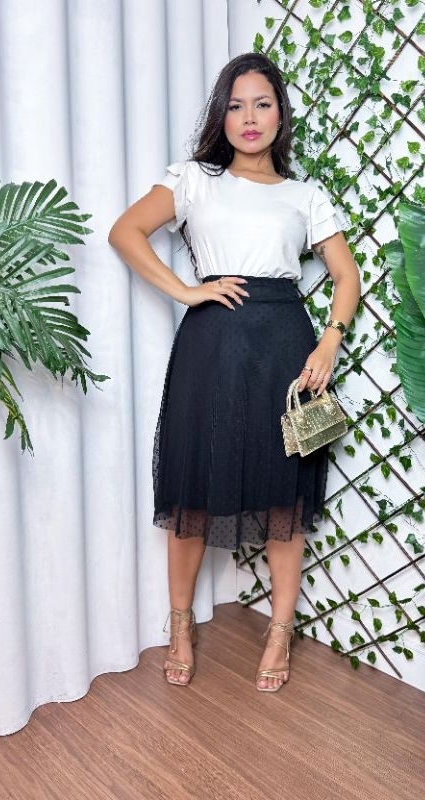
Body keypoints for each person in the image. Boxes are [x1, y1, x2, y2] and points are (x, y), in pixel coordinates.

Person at [108, 52, 360, 693]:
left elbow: (346, 276)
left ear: (280, 114)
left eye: (262, 104)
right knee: (191, 489)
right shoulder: (194, 180)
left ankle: (279, 632)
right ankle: (180, 626)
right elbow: (126, 231)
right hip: (210, 346)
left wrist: (328, 343)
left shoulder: (306, 195)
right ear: (222, 115)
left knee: (283, 498)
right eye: (236, 105)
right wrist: (186, 291)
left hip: (284, 348)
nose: (249, 117)